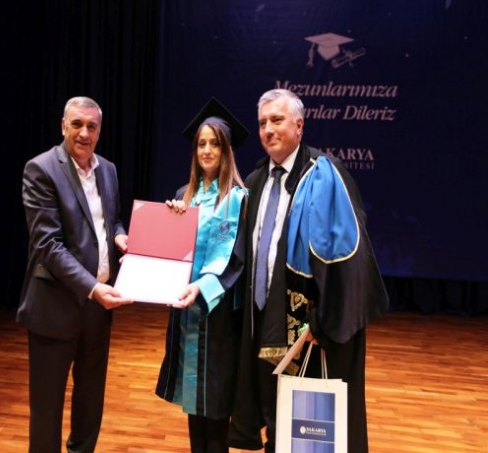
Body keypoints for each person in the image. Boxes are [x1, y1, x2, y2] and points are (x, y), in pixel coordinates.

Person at [228, 88, 389, 453]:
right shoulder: (255, 181)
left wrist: (324, 318)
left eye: (277, 120)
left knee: (310, 431)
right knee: (274, 413)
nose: (268, 129)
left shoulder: (324, 175)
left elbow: (349, 255)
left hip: (308, 328)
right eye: (262, 123)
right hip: (263, 323)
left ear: (299, 126)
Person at [16, 96, 133, 453]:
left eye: (91, 126)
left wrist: (120, 236)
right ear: (63, 126)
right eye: (77, 124)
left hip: (97, 310)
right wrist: (93, 288)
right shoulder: (41, 169)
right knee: (47, 407)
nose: (84, 133)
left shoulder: (108, 169)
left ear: (99, 130)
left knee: (90, 399)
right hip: (55, 307)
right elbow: (48, 245)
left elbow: (111, 219)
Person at [155, 97, 249, 453]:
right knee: (193, 402)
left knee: (216, 404)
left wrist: (203, 287)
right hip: (187, 314)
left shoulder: (240, 199)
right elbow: (171, 251)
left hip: (220, 315)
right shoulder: (184, 196)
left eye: (215, 144)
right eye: (201, 144)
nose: (207, 150)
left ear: (226, 151)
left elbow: (238, 259)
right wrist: (169, 221)